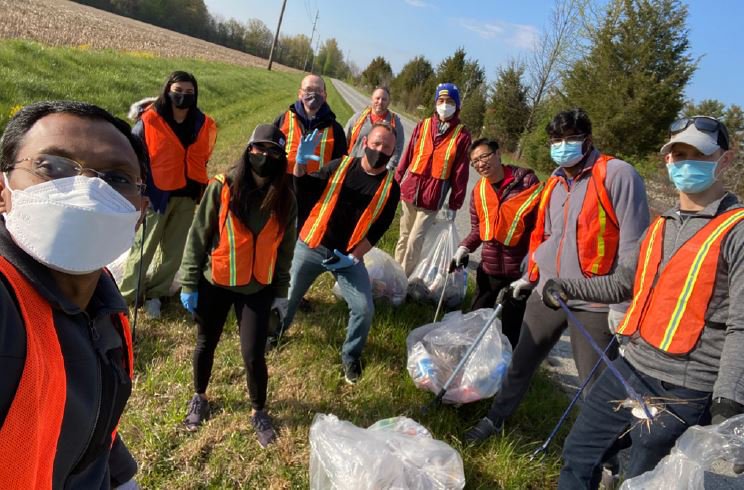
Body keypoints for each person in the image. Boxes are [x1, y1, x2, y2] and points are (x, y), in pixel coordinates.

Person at [542, 116, 744, 488]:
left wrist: (728, 404)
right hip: (628, 369)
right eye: (678, 154)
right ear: (667, 161)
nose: (685, 163)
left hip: (683, 389)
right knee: (578, 455)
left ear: (724, 160)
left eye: (698, 154)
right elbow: (623, 284)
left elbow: (741, 326)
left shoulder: (737, 231)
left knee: (641, 480)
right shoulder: (661, 224)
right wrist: (566, 287)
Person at [464, 108, 650, 443]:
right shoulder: (554, 181)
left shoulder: (617, 175)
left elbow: (635, 245)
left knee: (594, 385)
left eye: (570, 138)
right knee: (521, 362)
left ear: (587, 139)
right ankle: (495, 419)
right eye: (556, 140)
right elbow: (543, 236)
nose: (562, 146)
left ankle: (605, 455)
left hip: (595, 301)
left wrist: (623, 304)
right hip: (548, 293)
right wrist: (530, 277)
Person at [0, 100, 147, 488]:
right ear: (3, 191)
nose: (86, 191)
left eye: (116, 179)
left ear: (139, 215)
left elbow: (94, 424)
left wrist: (119, 477)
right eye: (54, 167)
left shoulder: (106, 301)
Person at [177, 125, 297, 448]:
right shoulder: (222, 187)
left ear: (281, 158)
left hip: (258, 287)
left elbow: (285, 252)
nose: (265, 156)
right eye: (259, 148)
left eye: (273, 151)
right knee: (206, 343)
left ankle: (259, 411)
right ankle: (199, 396)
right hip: (217, 281)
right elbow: (197, 236)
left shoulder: (286, 198)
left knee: (254, 354)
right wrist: (189, 281)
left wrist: (282, 294)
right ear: (248, 150)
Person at [275, 123, 401, 384]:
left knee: (364, 308)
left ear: (393, 152)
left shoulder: (391, 187)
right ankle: (274, 335)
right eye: (376, 144)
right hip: (312, 244)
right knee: (289, 296)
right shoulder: (339, 166)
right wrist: (299, 163)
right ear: (364, 143)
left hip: (347, 257)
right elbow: (304, 189)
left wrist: (354, 257)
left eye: (386, 147)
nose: (380, 150)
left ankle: (350, 356)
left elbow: (378, 229)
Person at [119, 71, 217, 319]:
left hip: (187, 196)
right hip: (155, 196)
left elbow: (202, 157)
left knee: (174, 252)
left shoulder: (202, 123)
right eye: (178, 91)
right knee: (144, 247)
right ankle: (129, 296)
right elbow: (133, 157)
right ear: (167, 91)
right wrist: (140, 192)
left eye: (189, 93)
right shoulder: (149, 121)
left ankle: (156, 294)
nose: (183, 97)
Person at [450, 138, 542, 347]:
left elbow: (541, 227)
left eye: (484, 156)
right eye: (475, 161)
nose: (481, 163)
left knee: (511, 326)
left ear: (498, 154)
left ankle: (506, 367)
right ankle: (470, 356)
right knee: (476, 317)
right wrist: (464, 248)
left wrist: (532, 264)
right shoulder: (479, 192)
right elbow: (478, 230)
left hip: (519, 271)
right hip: (490, 267)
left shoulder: (527, 182)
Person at [394, 82, 471, 276]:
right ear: (436, 103)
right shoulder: (424, 125)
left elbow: (461, 173)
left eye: (450, 101)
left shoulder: (462, 135)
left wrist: (455, 204)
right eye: (441, 100)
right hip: (410, 191)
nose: (445, 105)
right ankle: (394, 275)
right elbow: (408, 154)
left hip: (432, 198)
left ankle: (403, 280)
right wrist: (396, 180)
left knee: (415, 240)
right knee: (403, 237)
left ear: (457, 105)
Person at [274, 74, 347, 183]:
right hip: (283, 187)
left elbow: (340, 167)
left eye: (318, 90)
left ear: (325, 96)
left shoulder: (336, 129)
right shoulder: (283, 119)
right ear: (299, 94)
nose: (313, 94)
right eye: (308, 90)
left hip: (315, 191)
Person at [344, 86, 404, 168]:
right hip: (352, 166)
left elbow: (397, 149)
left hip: (377, 172)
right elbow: (344, 140)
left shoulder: (395, 123)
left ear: (388, 102)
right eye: (377, 98)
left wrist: (387, 168)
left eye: (384, 99)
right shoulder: (358, 118)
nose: (380, 102)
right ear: (372, 99)